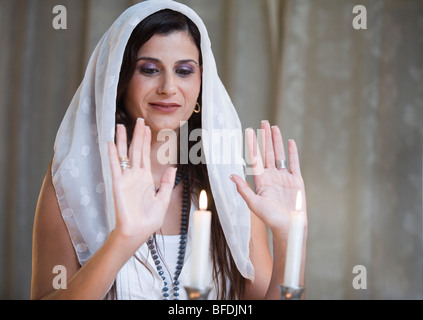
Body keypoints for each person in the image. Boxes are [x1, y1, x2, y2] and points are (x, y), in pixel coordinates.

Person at [30, 0, 307, 300]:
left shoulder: (225, 180)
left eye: (184, 71)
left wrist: (288, 239)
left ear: (202, 82)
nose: (168, 87)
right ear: (118, 80)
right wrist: (123, 240)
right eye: (149, 69)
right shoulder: (73, 178)